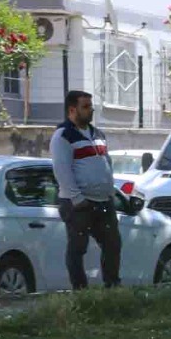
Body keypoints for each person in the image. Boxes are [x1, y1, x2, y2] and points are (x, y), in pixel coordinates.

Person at [50, 89, 120, 290]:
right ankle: (80, 291)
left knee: (113, 245)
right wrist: (77, 198)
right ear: (72, 110)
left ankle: (112, 287)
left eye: (91, 106)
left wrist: (110, 189)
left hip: (103, 200)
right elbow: (62, 171)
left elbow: (106, 163)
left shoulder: (98, 134)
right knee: (77, 248)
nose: (91, 111)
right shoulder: (63, 135)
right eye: (86, 107)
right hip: (79, 203)